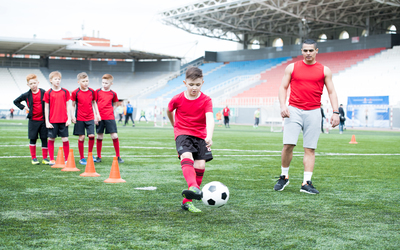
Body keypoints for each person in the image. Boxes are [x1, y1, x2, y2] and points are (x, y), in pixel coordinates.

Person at [274, 39, 340, 195]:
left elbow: (331, 92)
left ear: (317, 51)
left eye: (311, 50)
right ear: (301, 51)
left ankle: (306, 182)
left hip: (314, 111)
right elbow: (283, 87)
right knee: (288, 145)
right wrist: (283, 106)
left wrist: (335, 112)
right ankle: (284, 176)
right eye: (305, 50)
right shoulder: (292, 67)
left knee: (310, 148)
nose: (308, 53)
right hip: (294, 110)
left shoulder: (325, 70)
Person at [167, 66, 214, 213]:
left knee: (200, 165)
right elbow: (169, 110)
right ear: (184, 83)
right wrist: (174, 125)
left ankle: (187, 202)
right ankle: (194, 186)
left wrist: (209, 136)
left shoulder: (206, 100)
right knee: (186, 156)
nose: (194, 88)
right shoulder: (178, 99)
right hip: (183, 133)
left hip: (200, 135)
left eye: (198, 85)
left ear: (202, 83)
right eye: (191, 84)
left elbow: (210, 119)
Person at [13, 74, 49, 165]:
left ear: (38, 83)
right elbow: (15, 101)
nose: (33, 85)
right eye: (31, 83)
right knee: (33, 139)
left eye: (34, 83)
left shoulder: (44, 92)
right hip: (33, 120)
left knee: (44, 138)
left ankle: (45, 158)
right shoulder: (26, 95)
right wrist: (24, 107)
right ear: (28, 85)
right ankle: (34, 158)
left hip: (43, 121)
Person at [71, 72, 99, 165]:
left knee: (91, 136)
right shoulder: (75, 92)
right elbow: (73, 105)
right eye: (83, 81)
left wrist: (97, 114)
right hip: (79, 118)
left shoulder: (92, 91)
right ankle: (82, 158)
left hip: (90, 117)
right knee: (82, 137)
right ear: (79, 82)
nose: (86, 83)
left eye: (87, 81)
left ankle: (90, 154)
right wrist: (72, 116)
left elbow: (94, 103)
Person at [43, 71, 71, 165]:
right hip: (52, 120)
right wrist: (47, 121)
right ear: (51, 80)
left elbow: (68, 105)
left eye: (59, 79)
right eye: (55, 79)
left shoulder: (65, 91)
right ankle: (51, 159)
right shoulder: (48, 93)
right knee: (51, 139)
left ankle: (67, 159)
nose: (58, 81)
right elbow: (46, 108)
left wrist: (69, 118)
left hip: (64, 120)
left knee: (65, 139)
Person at [95, 74, 124, 163]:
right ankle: (99, 156)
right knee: (99, 136)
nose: (104, 84)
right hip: (99, 117)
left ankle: (118, 156)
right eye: (103, 82)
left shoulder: (113, 93)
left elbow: (115, 104)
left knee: (114, 135)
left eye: (106, 83)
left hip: (109, 117)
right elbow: (94, 104)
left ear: (111, 83)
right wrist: (95, 115)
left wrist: (111, 110)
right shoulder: (97, 92)